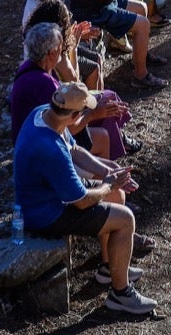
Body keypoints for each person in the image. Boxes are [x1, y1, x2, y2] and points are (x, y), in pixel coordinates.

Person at [12, 81, 157, 315]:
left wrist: (108, 173)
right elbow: (81, 201)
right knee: (126, 218)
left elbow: (76, 150)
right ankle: (120, 295)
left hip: (48, 197)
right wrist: (106, 184)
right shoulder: (49, 148)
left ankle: (110, 267)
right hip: (43, 214)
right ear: (74, 115)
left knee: (116, 194)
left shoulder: (43, 113)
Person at [10, 18, 133, 159]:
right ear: (52, 53)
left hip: (42, 136)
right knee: (102, 137)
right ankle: (100, 178)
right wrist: (94, 114)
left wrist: (95, 110)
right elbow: (69, 128)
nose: (63, 51)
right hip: (39, 149)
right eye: (61, 48)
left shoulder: (34, 66)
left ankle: (108, 158)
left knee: (106, 100)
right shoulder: (43, 83)